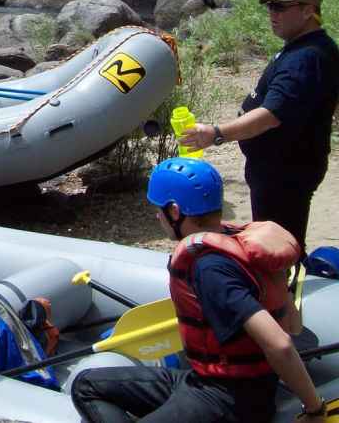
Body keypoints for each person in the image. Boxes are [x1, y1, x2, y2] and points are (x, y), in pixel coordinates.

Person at [71, 157, 326, 423]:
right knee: (87, 385)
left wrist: (314, 409)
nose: (157, 216)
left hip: (232, 400)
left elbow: (280, 343)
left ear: (174, 211)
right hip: (202, 380)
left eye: (159, 209)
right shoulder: (229, 239)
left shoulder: (210, 269)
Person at [178, 0, 338, 250]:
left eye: (280, 7)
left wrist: (216, 133)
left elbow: (270, 114)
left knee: (277, 249)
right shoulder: (312, 48)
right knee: (281, 241)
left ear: (308, 11)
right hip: (285, 165)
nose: (272, 14)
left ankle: (282, 289)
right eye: (270, 7)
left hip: (284, 170)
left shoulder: (306, 57)